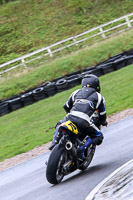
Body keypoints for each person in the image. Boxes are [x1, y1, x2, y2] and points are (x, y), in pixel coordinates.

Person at [49, 74, 107, 159]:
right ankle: (82, 149)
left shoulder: (76, 92)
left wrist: (72, 113)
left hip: (70, 117)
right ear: (96, 85)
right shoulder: (99, 97)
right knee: (99, 136)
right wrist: (103, 121)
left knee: (59, 125)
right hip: (84, 121)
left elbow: (66, 106)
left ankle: (54, 144)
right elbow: (102, 114)